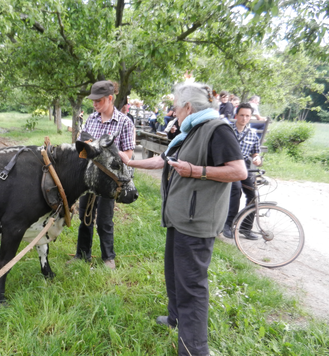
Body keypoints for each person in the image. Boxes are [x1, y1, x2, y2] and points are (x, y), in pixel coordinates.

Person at [118, 82, 247, 356]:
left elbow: (238, 171)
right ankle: (175, 319)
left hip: (197, 221)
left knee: (192, 286)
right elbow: (163, 161)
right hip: (180, 218)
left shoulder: (217, 129)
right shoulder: (190, 131)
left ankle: (195, 349)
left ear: (188, 107)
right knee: (174, 275)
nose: (173, 112)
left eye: (175, 107)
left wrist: (196, 171)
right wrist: (129, 163)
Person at [69, 80, 135, 270]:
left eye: (98, 100)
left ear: (110, 98)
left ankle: (108, 257)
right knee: (85, 215)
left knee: (105, 218)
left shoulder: (124, 122)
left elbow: (128, 155)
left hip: (109, 179)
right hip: (90, 176)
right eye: (93, 101)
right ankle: (82, 254)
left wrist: (107, 152)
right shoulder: (91, 119)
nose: (95, 104)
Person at [222, 103, 262, 240]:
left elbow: (255, 153)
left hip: (243, 166)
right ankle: (227, 224)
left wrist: (257, 159)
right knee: (236, 189)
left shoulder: (252, 134)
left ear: (250, 117)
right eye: (242, 115)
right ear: (236, 115)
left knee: (253, 193)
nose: (244, 118)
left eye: (247, 116)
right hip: (228, 165)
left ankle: (245, 227)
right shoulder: (227, 131)